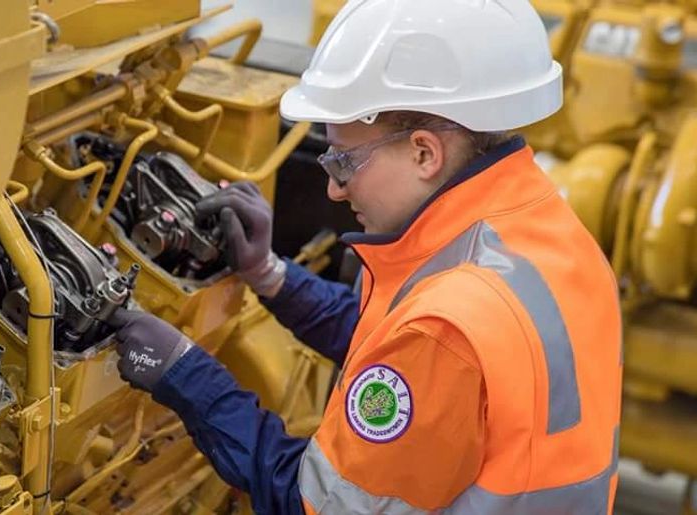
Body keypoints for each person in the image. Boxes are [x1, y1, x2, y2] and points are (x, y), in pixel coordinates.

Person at [105, 0, 623, 512]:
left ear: (424, 153)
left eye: (344, 161)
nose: (333, 188)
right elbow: (397, 345)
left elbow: (312, 505)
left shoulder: (447, 328)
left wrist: (187, 376)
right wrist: (271, 276)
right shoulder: (548, 233)